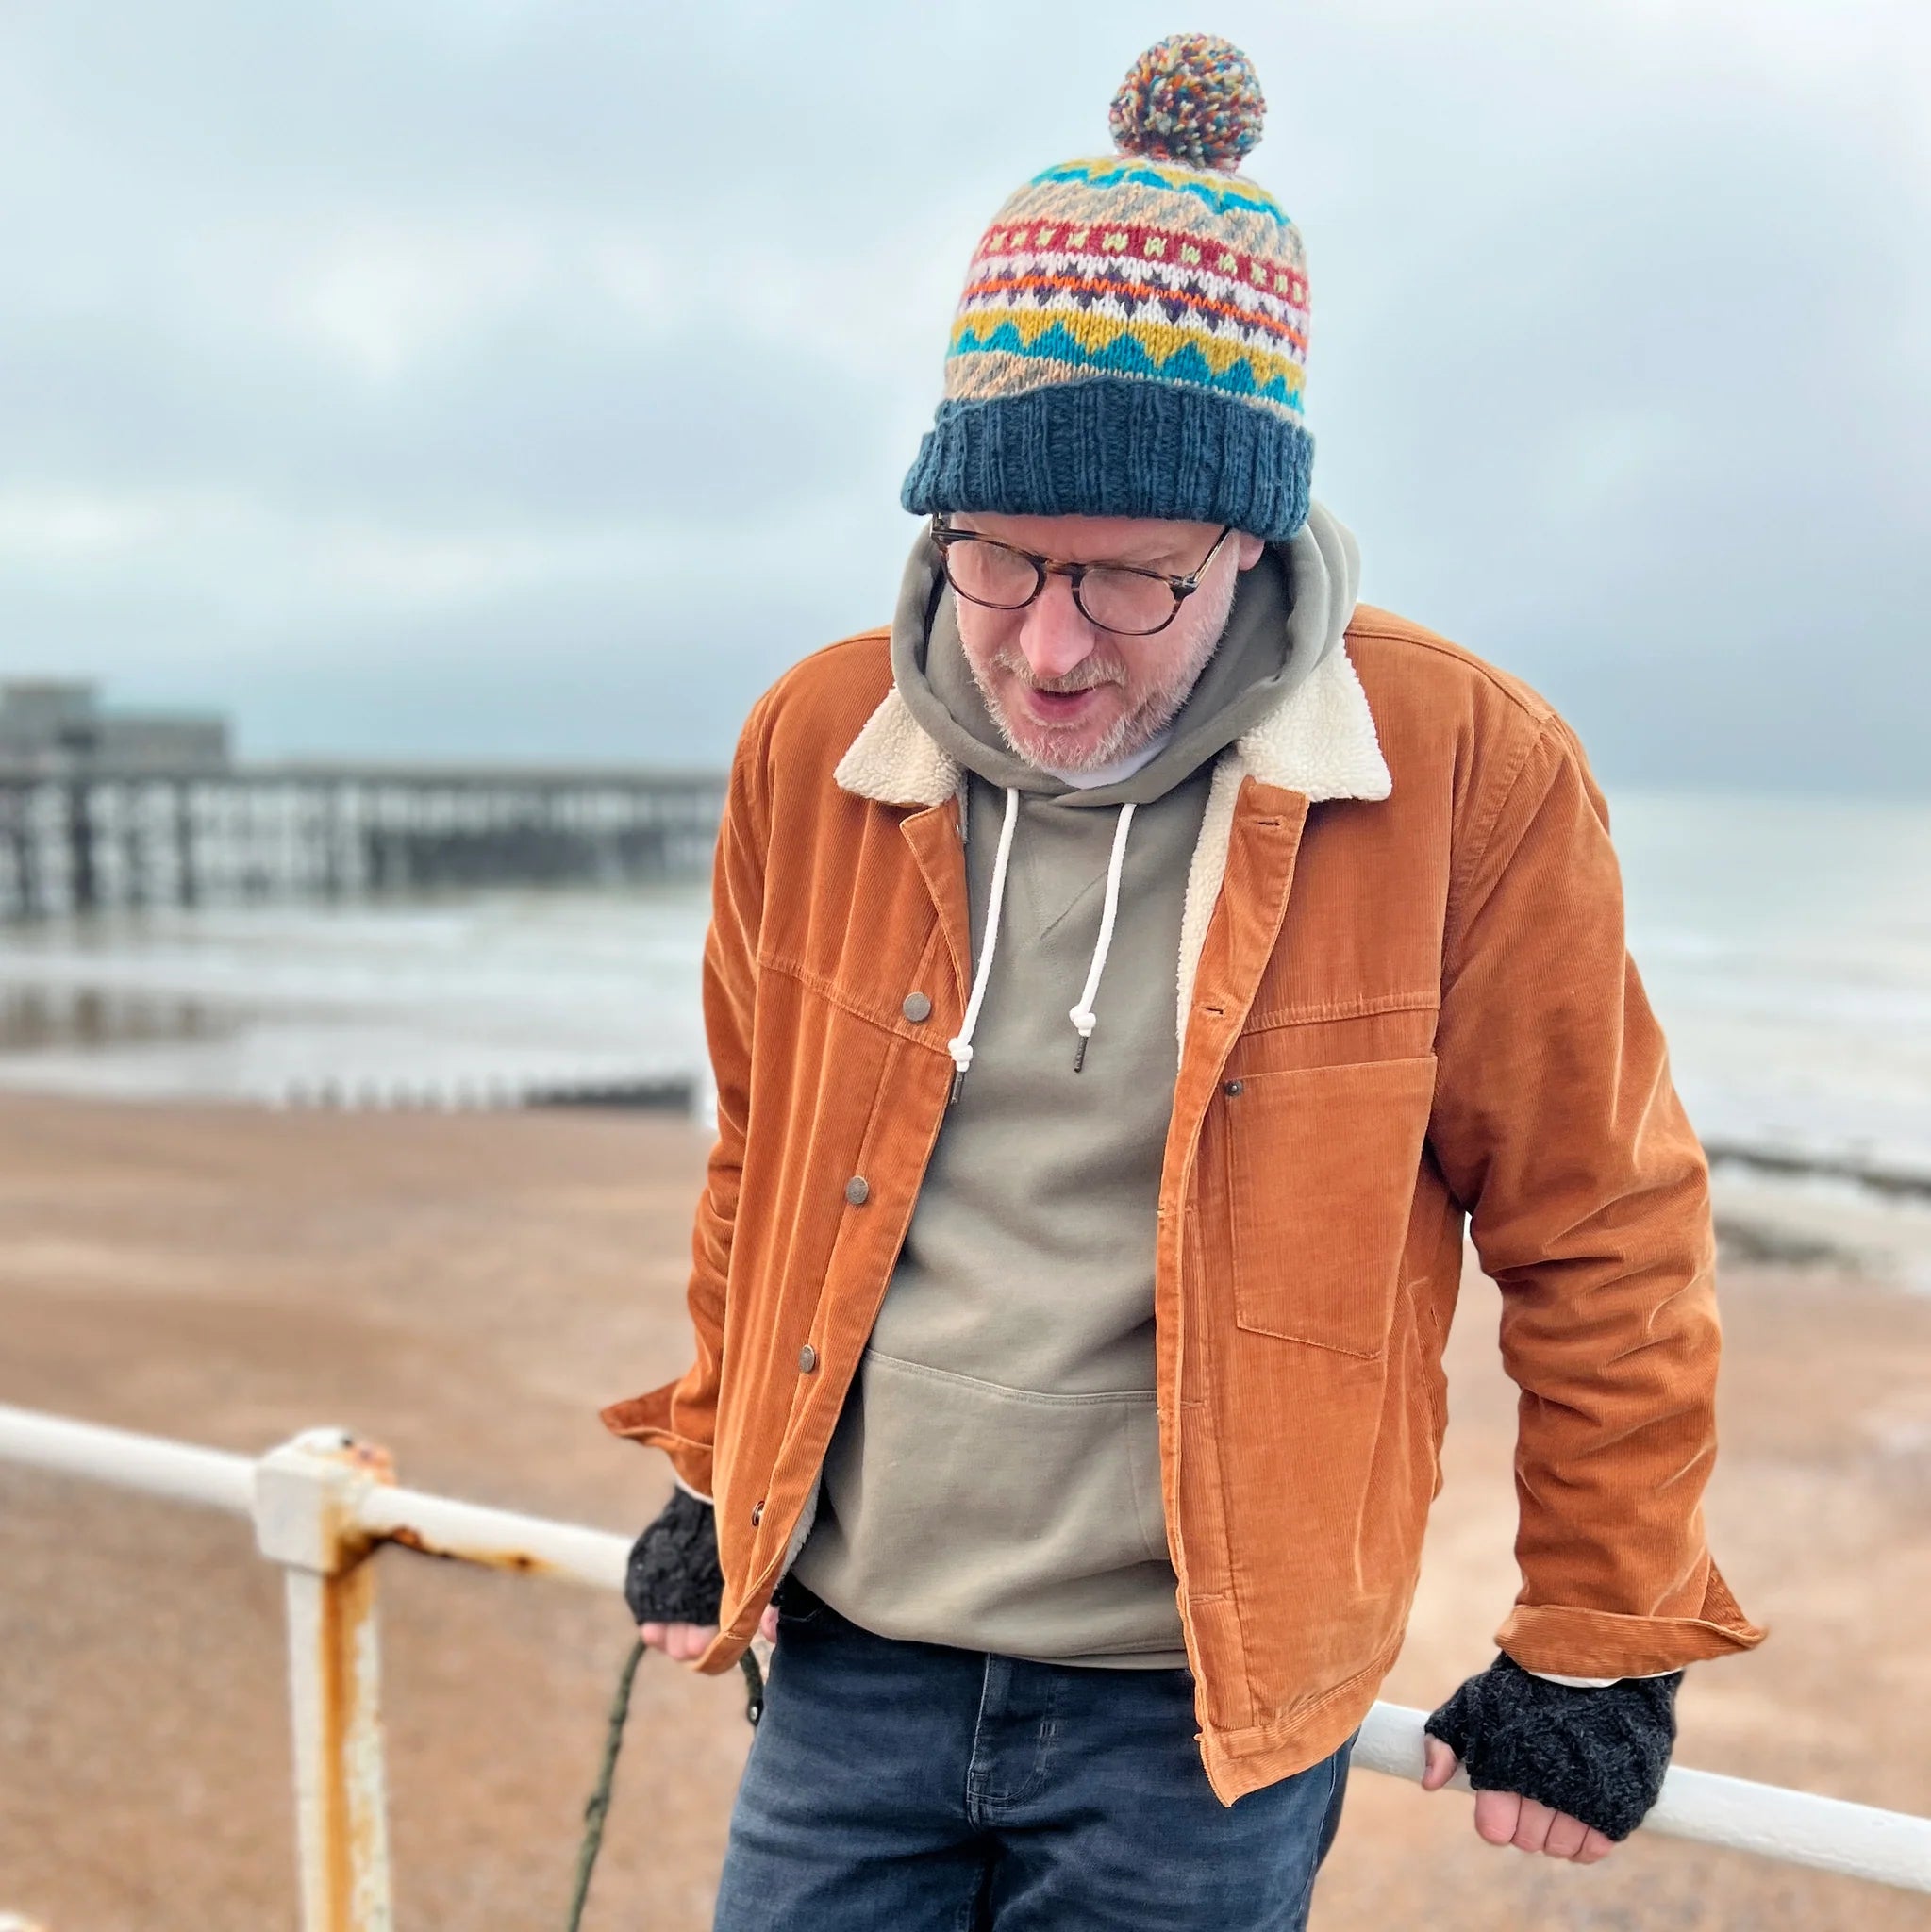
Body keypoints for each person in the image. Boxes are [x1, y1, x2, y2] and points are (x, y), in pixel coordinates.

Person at [602, 32, 1764, 1930]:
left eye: (1129, 578)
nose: (1050, 647)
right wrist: (712, 1454)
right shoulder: (812, 740)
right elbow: (764, 1163)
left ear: (1249, 539)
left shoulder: (1464, 767)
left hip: (1198, 1715)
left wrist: (1598, 1638)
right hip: (848, 1658)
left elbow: (1604, 1228)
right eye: (998, 562)